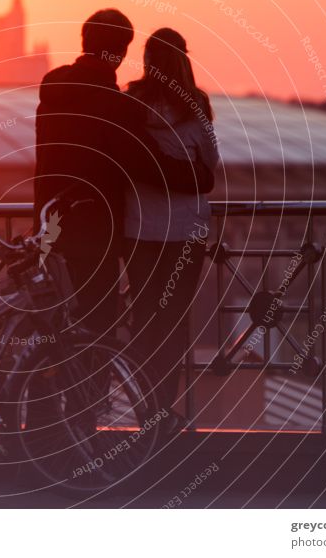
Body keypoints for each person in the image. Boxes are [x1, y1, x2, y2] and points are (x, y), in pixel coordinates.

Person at [33, 10, 213, 338]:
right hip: (96, 231)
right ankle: (89, 391)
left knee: (58, 330)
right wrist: (200, 178)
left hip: (50, 230)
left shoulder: (52, 92)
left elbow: (43, 162)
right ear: (120, 52)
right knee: (97, 329)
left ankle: (53, 387)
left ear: (84, 41)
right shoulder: (114, 105)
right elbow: (148, 164)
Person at [123, 28, 219, 425]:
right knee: (173, 319)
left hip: (139, 230)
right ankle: (162, 407)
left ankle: (141, 402)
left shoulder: (130, 102)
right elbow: (210, 163)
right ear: (183, 59)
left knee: (142, 317)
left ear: (147, 60)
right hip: (186, 233)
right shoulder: (196, 106)